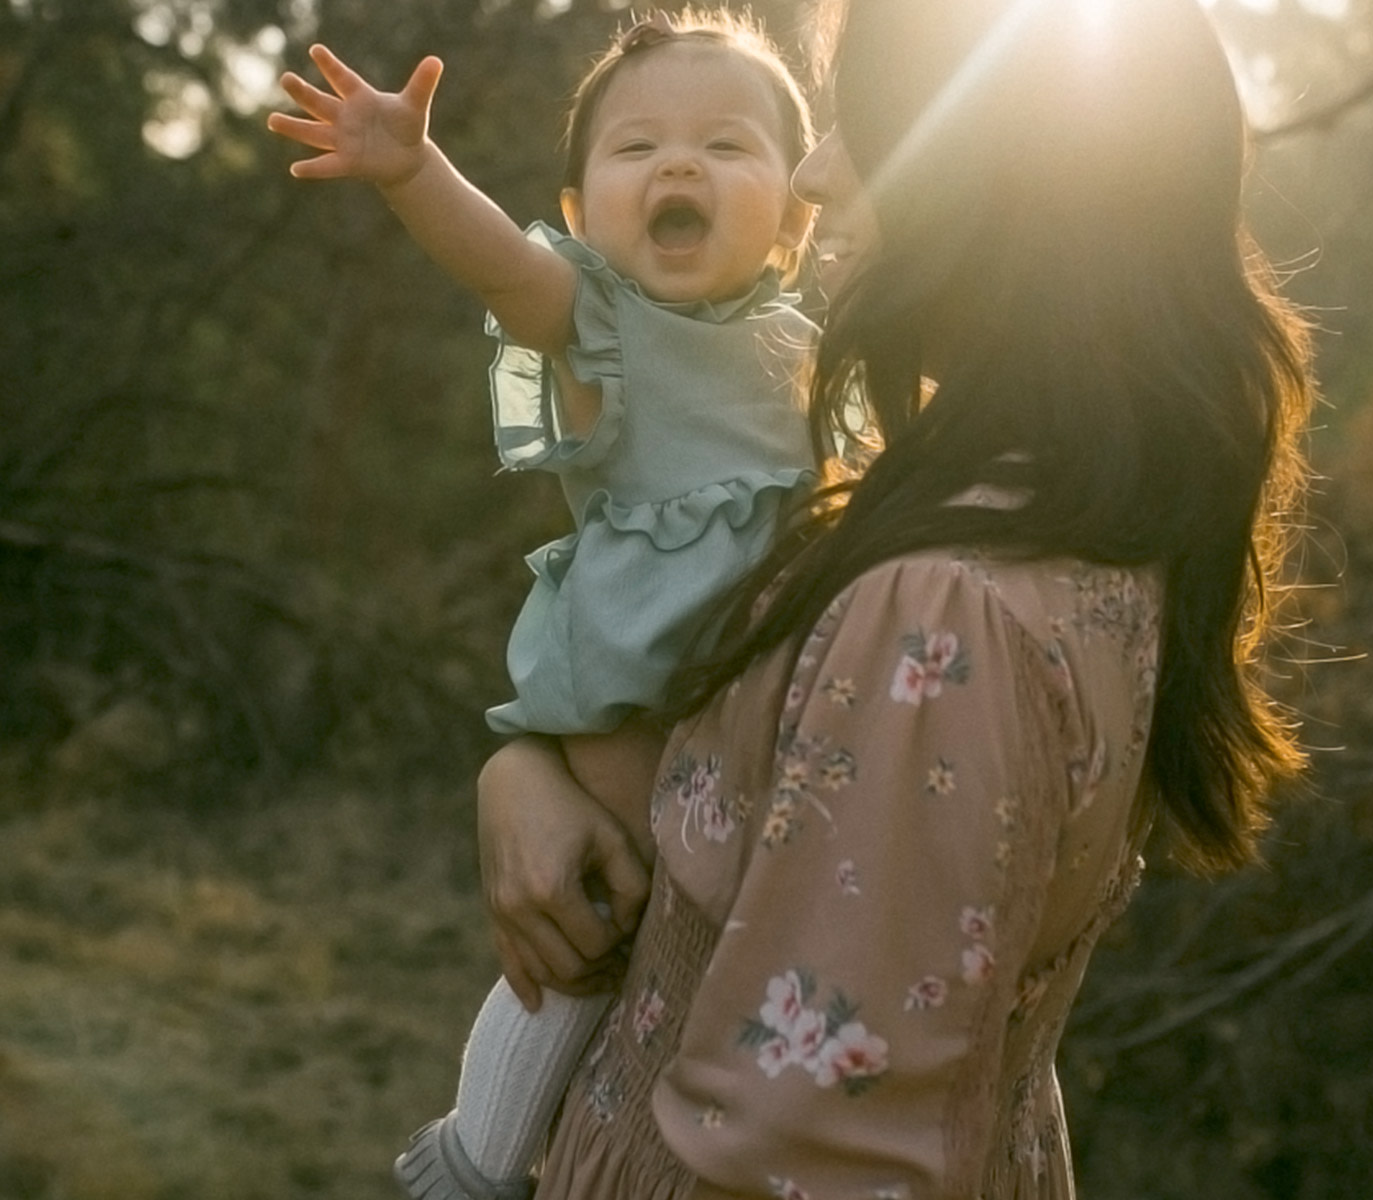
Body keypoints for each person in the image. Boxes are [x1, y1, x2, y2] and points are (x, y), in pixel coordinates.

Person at [473, 0, 1319, 1195]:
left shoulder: (940, 611)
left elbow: (814, 1151)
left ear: (985, 186)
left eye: (856, 127)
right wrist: (525, 770)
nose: (814, 170)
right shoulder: (1053, 510)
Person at [268, 11, 822, 1198]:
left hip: (768, 704)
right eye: (637, 151)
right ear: (579, 217)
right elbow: (501, 266)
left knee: (712, 969)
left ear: (798, 212)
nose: (679, 167)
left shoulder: (816, 350)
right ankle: (476, 1160)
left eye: (728, 146)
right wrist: (416, 171)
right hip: (637, 690)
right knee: (590, 942)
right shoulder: (602, 323)